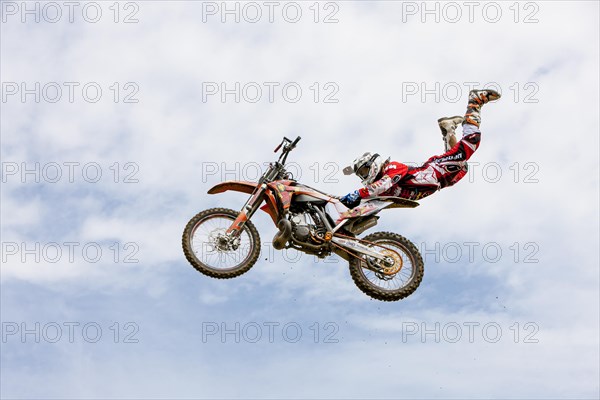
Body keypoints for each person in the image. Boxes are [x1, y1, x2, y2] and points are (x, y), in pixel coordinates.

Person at [340, 89, 501, 208]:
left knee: (471, 142)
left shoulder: (392, 167)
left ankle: (475, 101)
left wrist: (357, 193)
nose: (364, 176)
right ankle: (448, 129)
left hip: (434, 170)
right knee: (463, 167)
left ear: (372, 164)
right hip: (440, 181)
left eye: (363, 171)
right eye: (361, 174)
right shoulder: (382, 190)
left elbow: (379, 185)